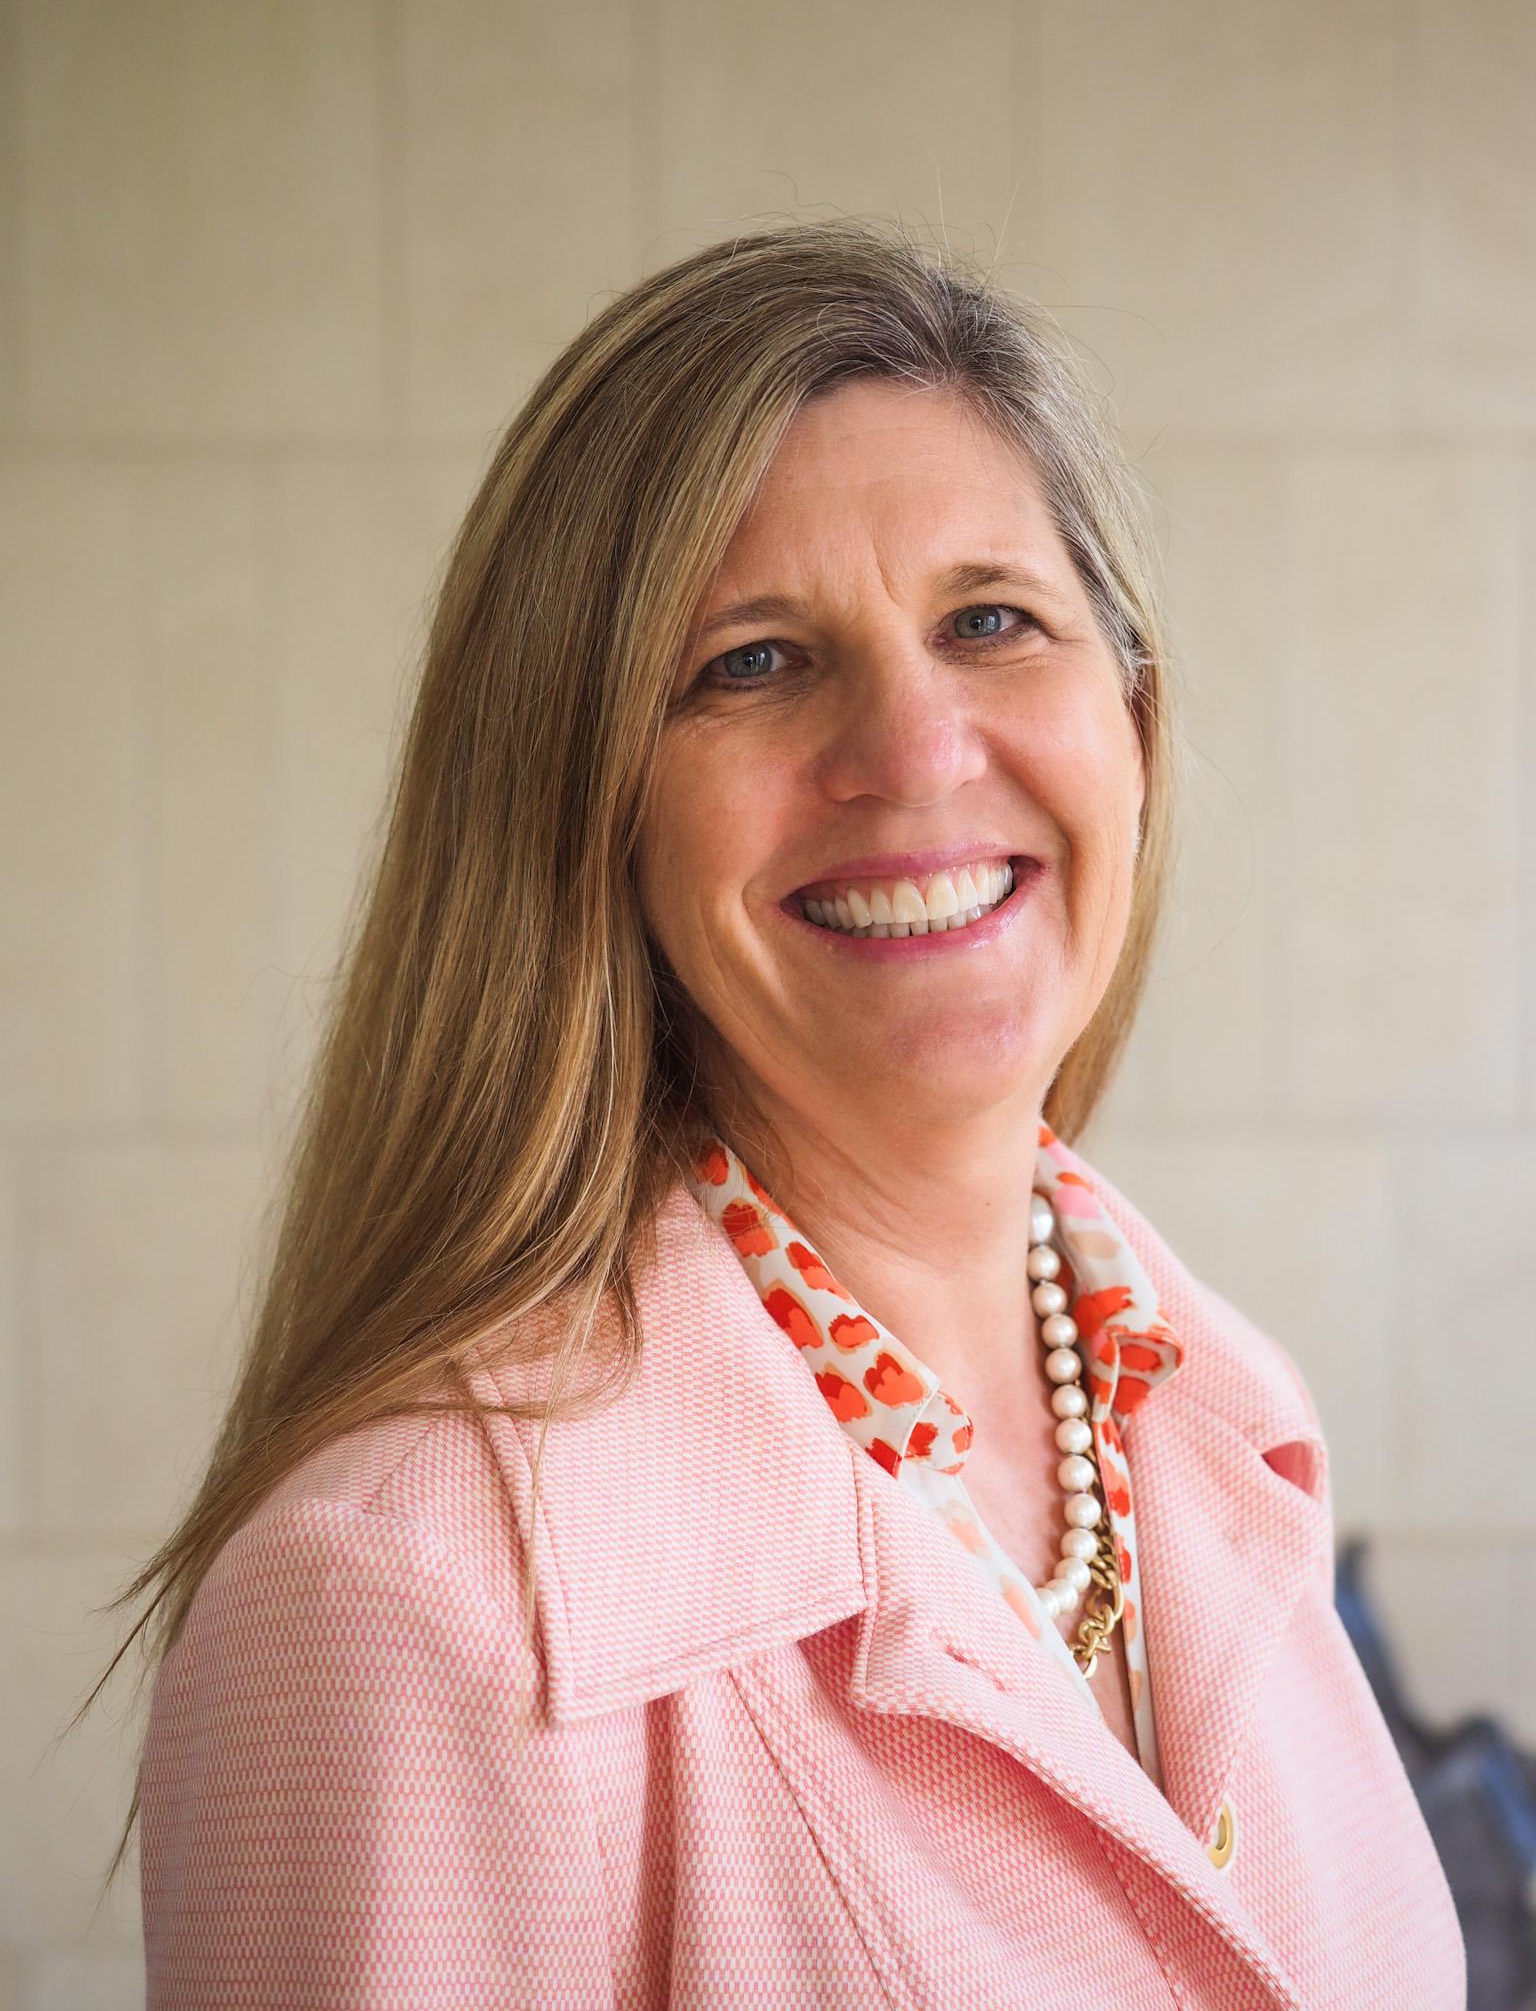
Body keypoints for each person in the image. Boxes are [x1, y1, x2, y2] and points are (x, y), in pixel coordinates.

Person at [110, 218, 1463, 2007]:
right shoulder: (403, 1602)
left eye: (992, 621)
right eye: (752, 661)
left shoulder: (1230, 1427)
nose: (913, 751)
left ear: (1131, 719)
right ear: (582, 808)